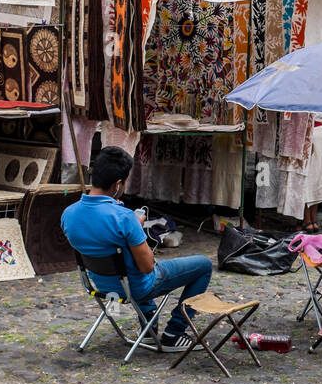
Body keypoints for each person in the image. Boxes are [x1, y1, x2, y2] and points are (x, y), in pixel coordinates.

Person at [62, 146, 214, 352]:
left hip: (101, 285)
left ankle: (149, 326)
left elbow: (99, 235)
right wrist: (136, 228)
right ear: (117, 184)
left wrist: (130, 227)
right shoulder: (124, 218)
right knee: (203, 264)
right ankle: (174, 332)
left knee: (128, 260)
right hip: (134, 287)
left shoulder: (68, 214)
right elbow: (147, 267)